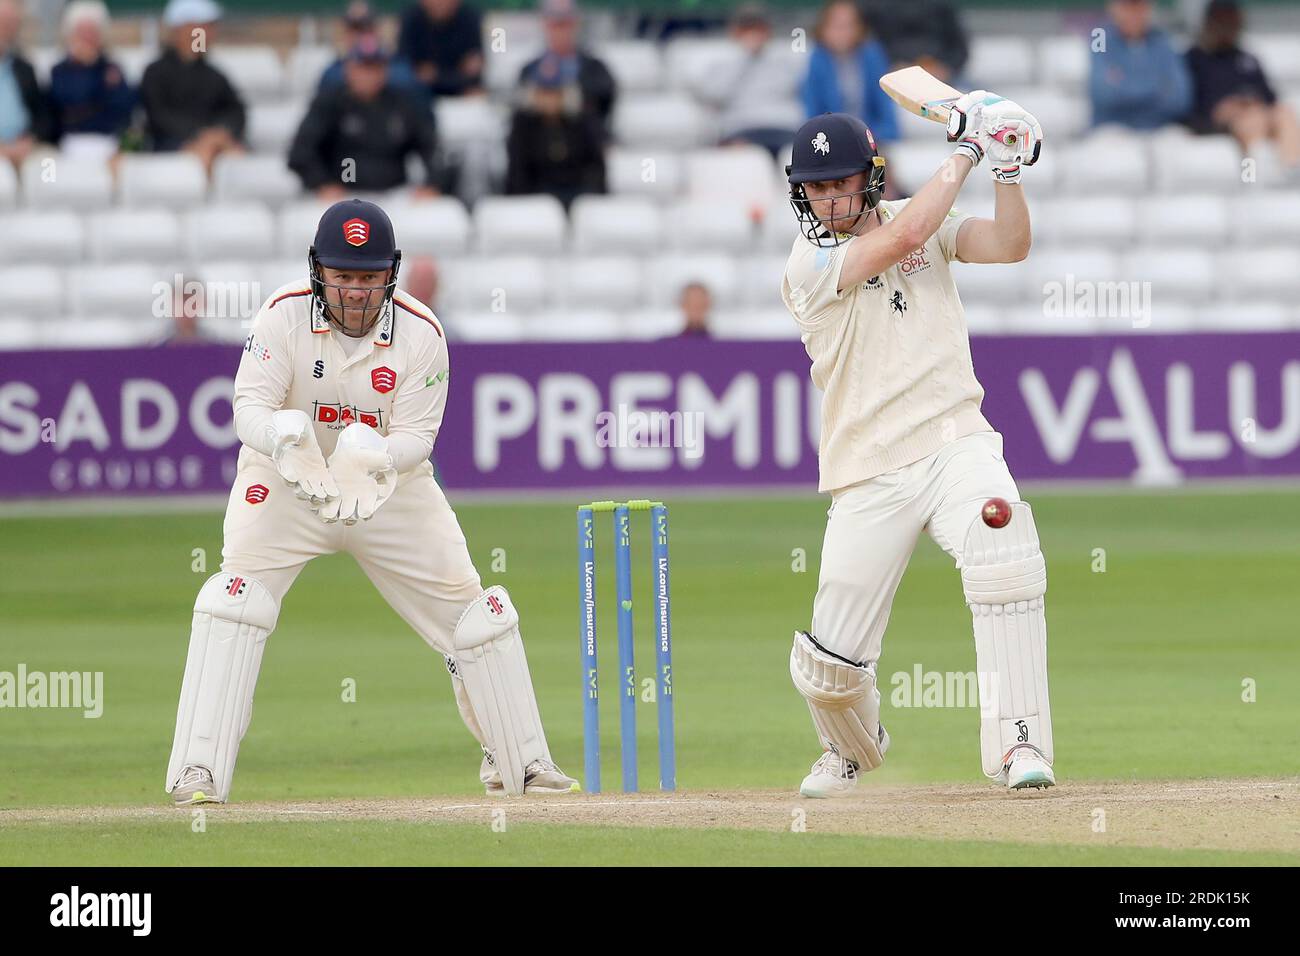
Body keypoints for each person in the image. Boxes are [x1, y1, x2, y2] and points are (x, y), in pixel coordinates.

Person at [165, 198, 578, 805]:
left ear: (390, 274)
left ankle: (520, 762)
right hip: (287, 484)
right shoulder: (281, 317)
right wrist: (283, 436)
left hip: (387, 491)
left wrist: (375, 457)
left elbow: (417, 438)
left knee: (476, 617)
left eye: (368, 277)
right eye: (342, 276)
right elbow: (247, 408)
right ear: (318, 272)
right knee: (235, 603)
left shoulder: (422, 333)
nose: (355, 291)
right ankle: (196, 771)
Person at [779, 102, 1055, 797]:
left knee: (1005, 544)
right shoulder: (808, 262)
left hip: (955, 440)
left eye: (839, 182)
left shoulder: (920, 216)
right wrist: (966, 148)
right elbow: (908, 231)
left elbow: (1010, 245)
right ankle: (852, 747)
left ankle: (1018, 743)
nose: (827, 199)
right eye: (814, 188)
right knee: (828, 666)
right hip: (867, 467)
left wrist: (1009, 168)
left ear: (869, 177)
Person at [290, 36, 443, 200]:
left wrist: (432, 184)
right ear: (349, 69)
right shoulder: (330, 103)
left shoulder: (402, 104)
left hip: (394, 194)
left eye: (375, 68)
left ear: (385, 70)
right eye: (363, 67)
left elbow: (431, 147)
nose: (368, 75)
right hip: (342, 195)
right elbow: (301, 152)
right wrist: (321, 183)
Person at [1185, 0, 1299, 170]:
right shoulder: (1195, 59)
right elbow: (1187, 103)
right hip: (1222, 120)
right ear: (1209, 22)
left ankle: (1294, 170)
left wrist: (1252, 101)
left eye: (1231, 21)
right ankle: (1251, 178)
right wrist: (1223, 108)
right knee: (1251, 123)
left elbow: (1270, 97)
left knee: (1284, 112)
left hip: (1259, 113)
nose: (1227, 27)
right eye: (1221, 21)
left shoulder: (1247, 59)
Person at [138, 0, 245, 172]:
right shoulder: (156, 73)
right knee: (205, 155)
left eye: (210, 27)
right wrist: (199, 134)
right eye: (202, 27)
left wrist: (220, 133)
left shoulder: (215, 75)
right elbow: (157, 116)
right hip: (169, 147)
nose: (209, 33)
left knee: (234, 154)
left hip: (212, 144)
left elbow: (235, 111)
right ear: (181, 29)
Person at [688, 4, 802, 156]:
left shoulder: (785, 61)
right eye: (747, 29)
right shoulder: (721, 64)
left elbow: (795, 92)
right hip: (742, 130)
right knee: (742, 158)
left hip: (782, 129)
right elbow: (715, 96)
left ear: (768, 31)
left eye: (758, 29)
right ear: (735, 32)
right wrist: (745, 57)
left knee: (801, 152)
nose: (753, 34)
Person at [505, 52, 605, 206]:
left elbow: (595, 166)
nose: (549, 99)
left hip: (577, 194)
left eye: (555, 92)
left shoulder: (582, 121)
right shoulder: (523, 125)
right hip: (537, 197)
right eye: (544, 92)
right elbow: (517, 172)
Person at [48, 1, 136, 160]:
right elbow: (67, 109)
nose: (88, 37)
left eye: (92, 31)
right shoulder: (60, 71)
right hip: (70, 143)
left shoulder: (112, 68)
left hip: (109, 143)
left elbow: (123, 110)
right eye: (82, 31)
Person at [801, 1, 898, 143]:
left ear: (859, 28)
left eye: (849, 25)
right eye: (836, 26)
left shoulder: (872, 55)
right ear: (823, 29)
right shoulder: (817, 59)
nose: (842, 32)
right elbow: (812, 113)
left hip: (872, 139)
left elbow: (886, 112)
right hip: (831, 141)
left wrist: (870, 137)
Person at [1089, 0, 1191, 131]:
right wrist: (1158, 86)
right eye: (1127, 6)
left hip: (1157, 129)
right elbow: (1102, 94)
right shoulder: (1100, 37)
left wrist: (1122, 83)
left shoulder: (1163, 40)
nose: (1134, 14)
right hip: (1112, 130)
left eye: (1139, 6)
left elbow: (1180, 100)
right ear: (1113, 8)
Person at [518, 0, 615, 136]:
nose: (560, 32)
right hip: (539, 148)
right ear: (545, 25)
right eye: (555, 25)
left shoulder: (596, 70)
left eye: (564, 24)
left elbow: (603, 106)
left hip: (584, 145)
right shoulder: (529, 70)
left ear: (575, 24)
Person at [318, 1, 424, 105]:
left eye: (365, 28)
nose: (359, 36)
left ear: (377, 30)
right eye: (354, 29)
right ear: (345, 33)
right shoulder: (333, 72)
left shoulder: (399, 69)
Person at [0, 0, 56, 169]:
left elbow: (43, 116)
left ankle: (49, 194)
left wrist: (30, 140)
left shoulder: (24, 69)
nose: (6, 30)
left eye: (11, 24)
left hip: (23, 148)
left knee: (49, 169)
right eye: (2, 22)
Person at [860, 0, 968, 83]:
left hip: (940, 80)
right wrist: (891, 67)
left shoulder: (942, 6)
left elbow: (959, 48)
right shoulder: (876, 6)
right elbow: (869, 45)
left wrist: (945, 69)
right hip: (891, 81)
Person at [398, 0, 484, 98]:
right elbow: (405, 63)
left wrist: (437, 75)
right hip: (420, 90)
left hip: (460, 91)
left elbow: (473, 68)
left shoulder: (469, 17)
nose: (439, 3)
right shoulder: (411, 17)